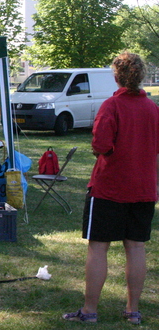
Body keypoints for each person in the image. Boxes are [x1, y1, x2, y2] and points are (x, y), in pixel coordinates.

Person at [63, 52, 159, 325]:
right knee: (136, 247)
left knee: (98, 247)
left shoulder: (111, 106)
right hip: (143, 188)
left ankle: (89, 311)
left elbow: (101, 146)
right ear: (140, 76)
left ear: (116, 76)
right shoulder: (153, 109)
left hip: (110, 188)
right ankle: (133, 310)